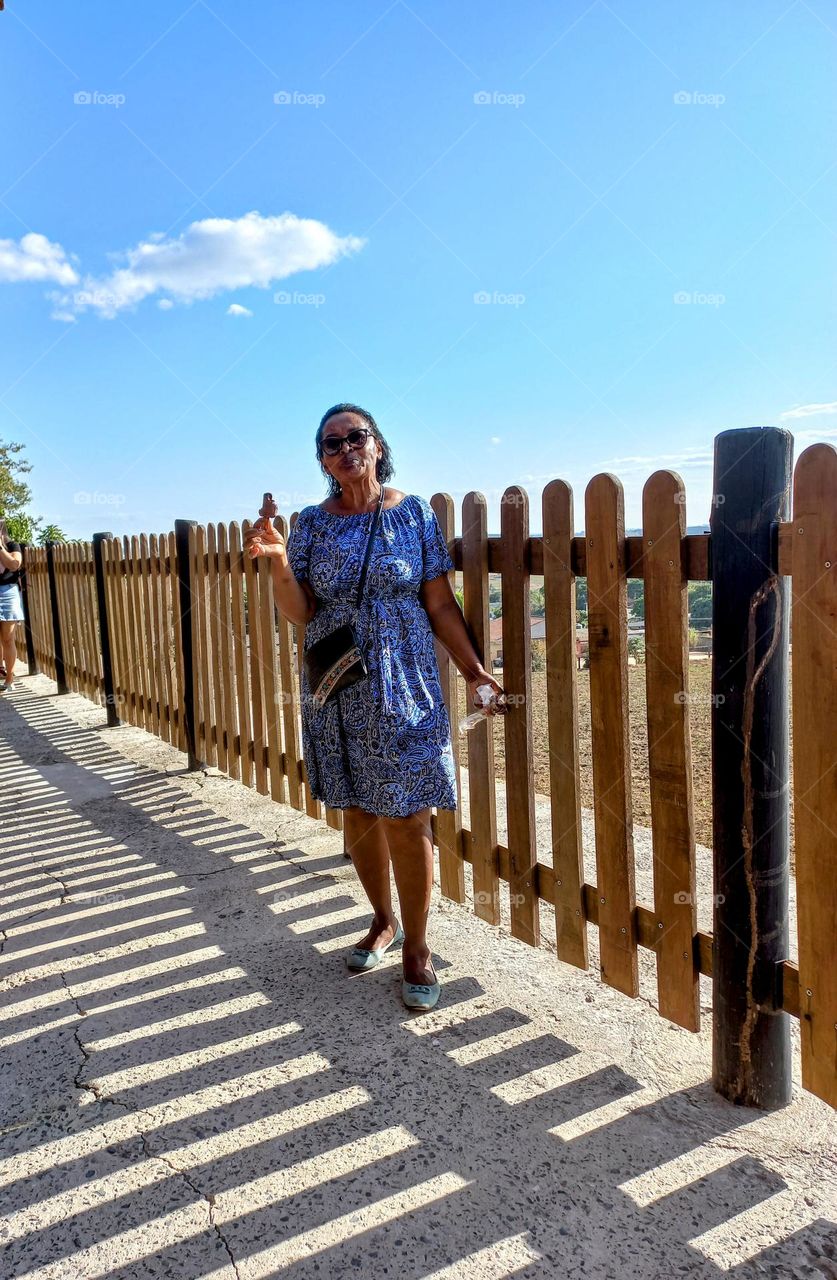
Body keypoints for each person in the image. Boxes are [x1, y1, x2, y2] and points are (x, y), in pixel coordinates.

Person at [244, 404, 506, 1011]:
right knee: (359, 809)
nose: (344, 449)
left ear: (379, 445)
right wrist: (280, 561)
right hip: (336, 682)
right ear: (323, 461)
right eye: (330, 444)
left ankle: (417, 944)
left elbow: (439, 603)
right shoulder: (310, 523)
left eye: (355, 437)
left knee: (408, 817)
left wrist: (472, 670)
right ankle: (382, 918)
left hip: (405, 682)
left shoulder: (411, 513)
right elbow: (301, 612)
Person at [0, 519, 24, 693]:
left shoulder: (12, 545)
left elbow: (14, 565)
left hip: (7, 592)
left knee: (8, 638)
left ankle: (10, 678)